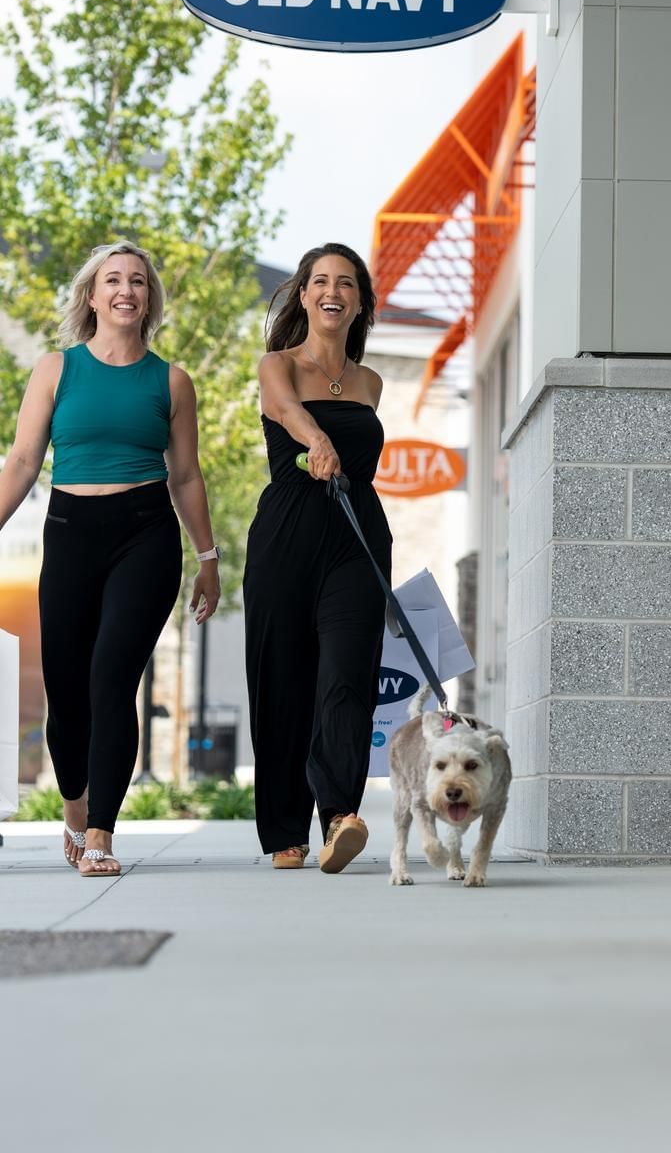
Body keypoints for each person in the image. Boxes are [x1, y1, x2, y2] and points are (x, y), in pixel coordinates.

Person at [0, 241, 221, 876]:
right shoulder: (54, 370)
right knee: (67, 696)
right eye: (113, 281)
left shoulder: (172, 380)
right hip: (70, 532)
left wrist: (207, 558)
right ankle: (75, 806)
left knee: (111, 677)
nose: (127, 290)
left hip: (145, 535)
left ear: (149, 299)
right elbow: (20, 462)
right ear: (92, 296)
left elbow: (185, 476)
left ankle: (101, 834)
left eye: (139, 282)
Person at [244, 243, 390, 873]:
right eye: (321, 281)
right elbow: (282, 409)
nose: (333, 291)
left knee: (347, 676)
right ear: (303, 293)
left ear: (359, 301)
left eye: (347, 283)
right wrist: (318, 439)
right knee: (284, 678)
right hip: (285, 536)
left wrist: (335, 448)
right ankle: (284, 830)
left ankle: (339, 816)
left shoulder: (370, 382)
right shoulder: (276, 364)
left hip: (356, 539)